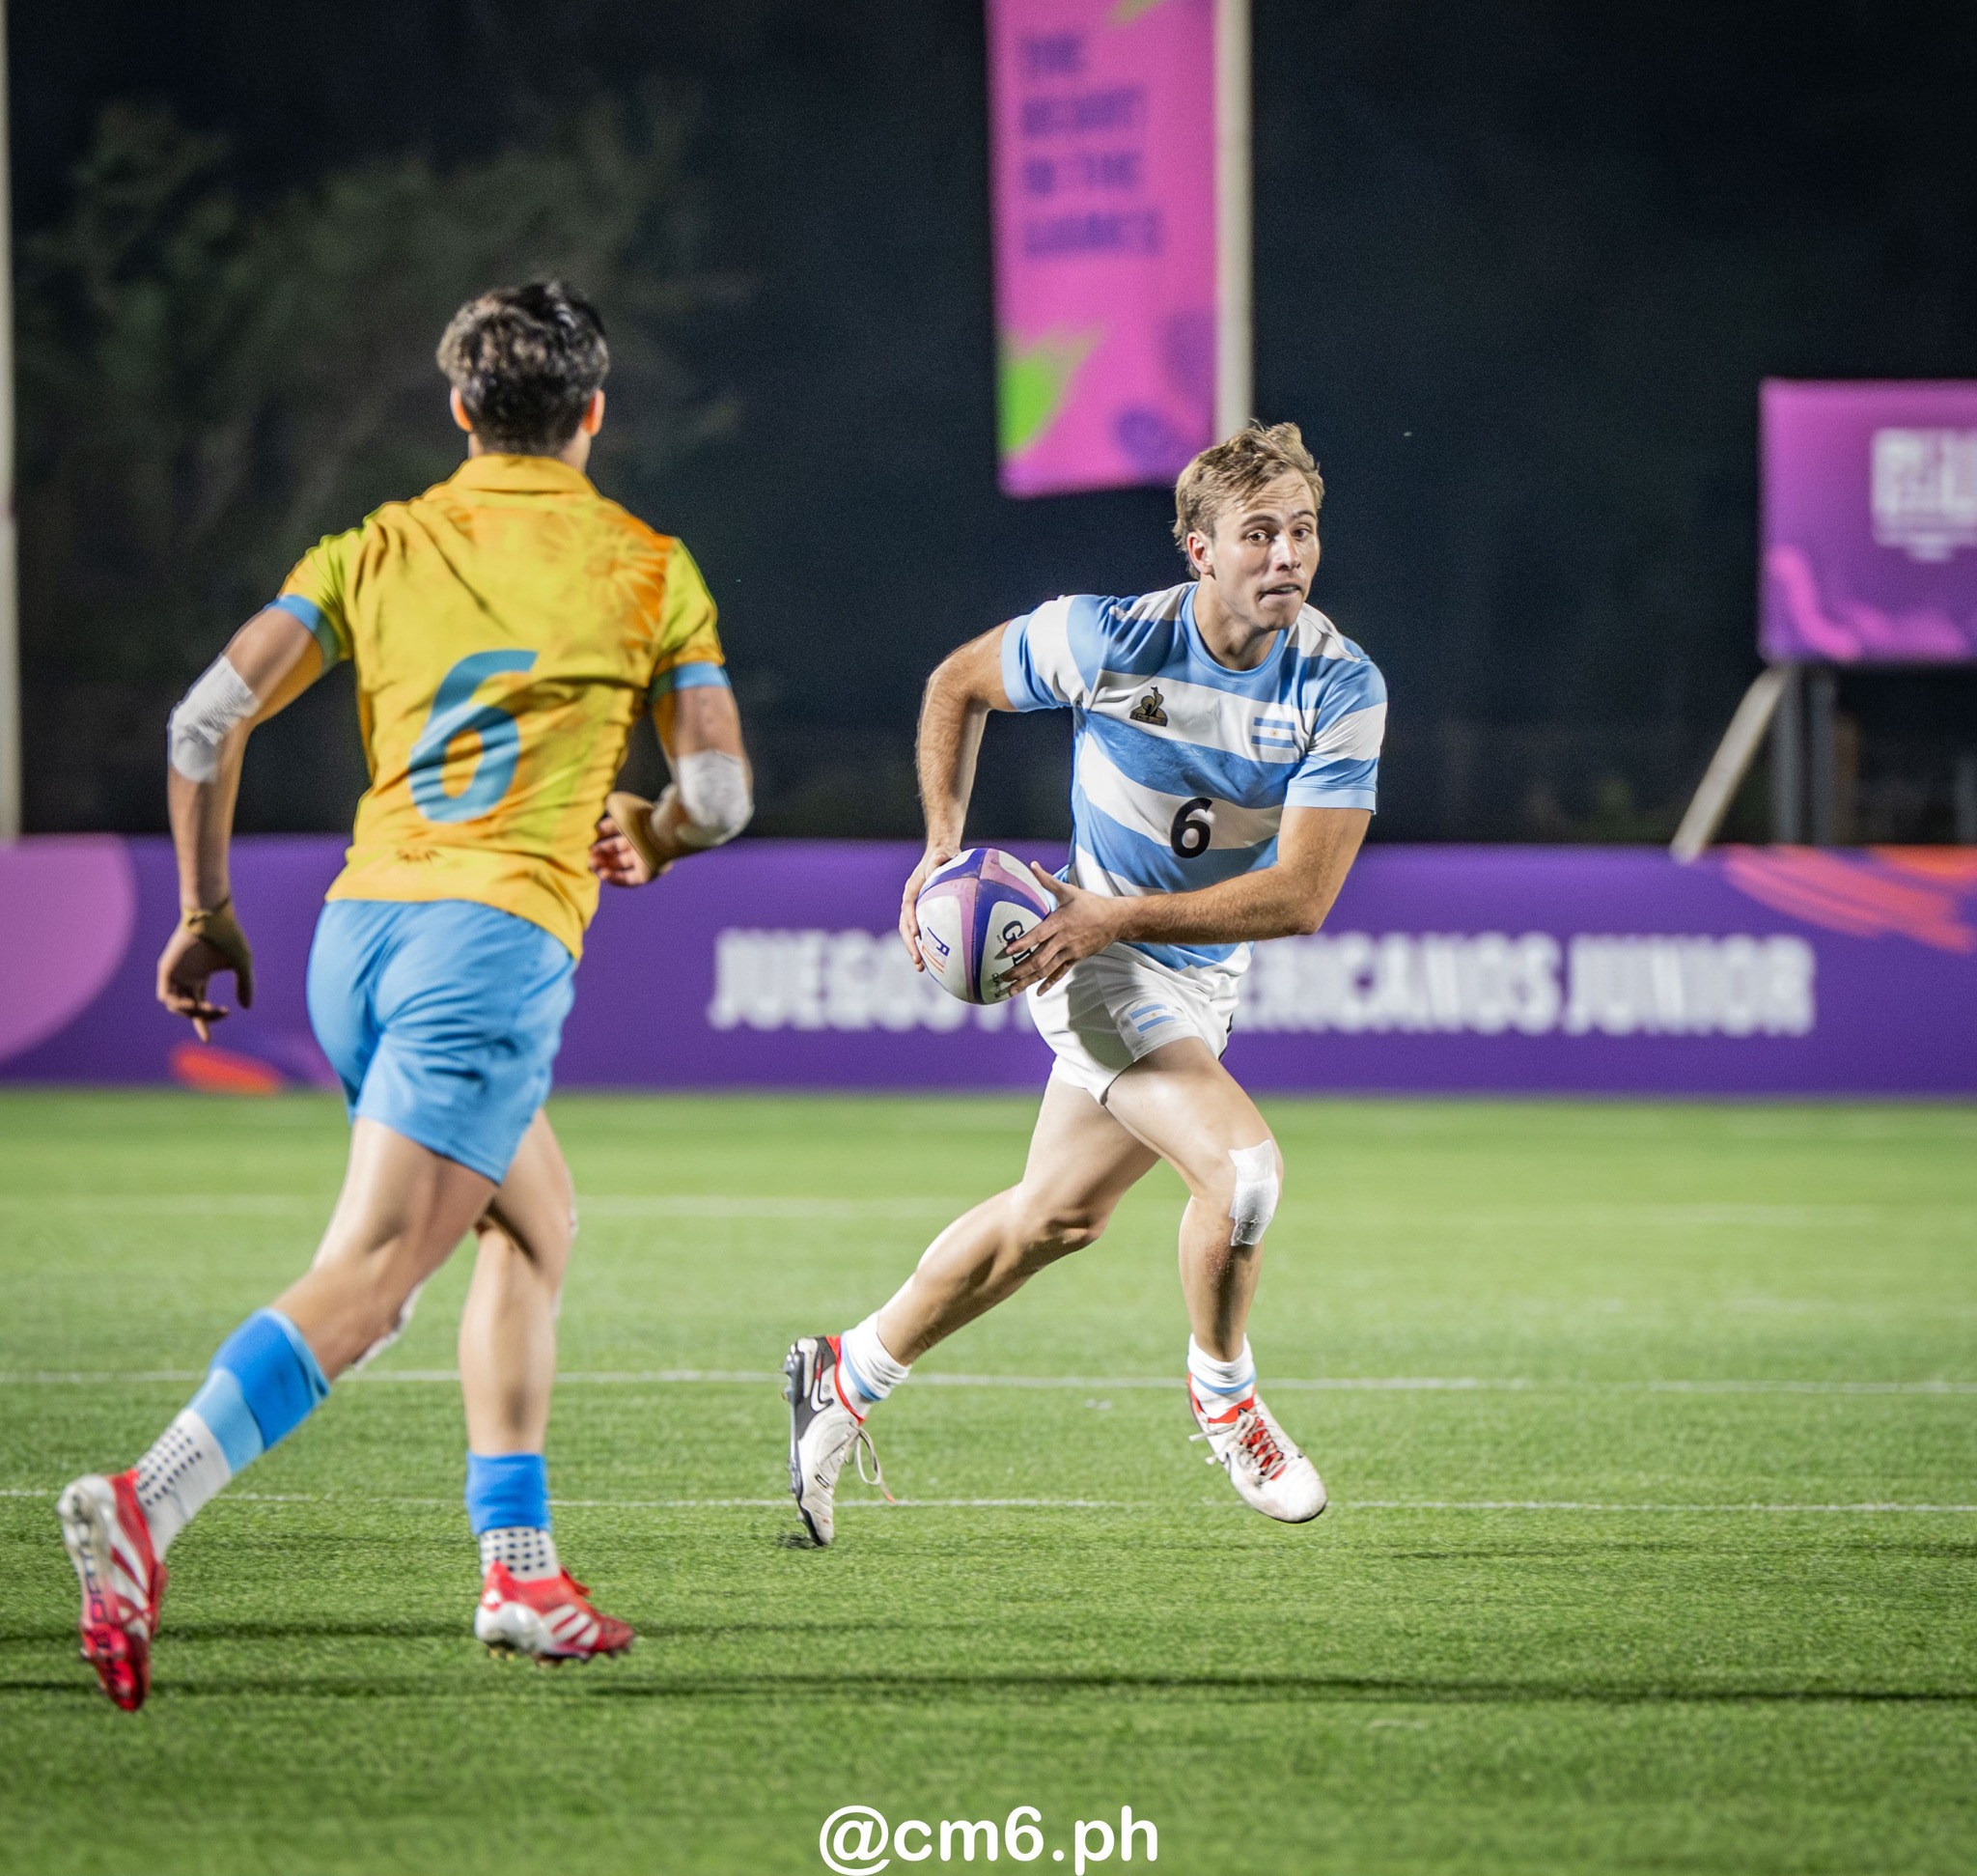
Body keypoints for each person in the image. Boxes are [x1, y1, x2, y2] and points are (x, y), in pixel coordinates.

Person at [58, 281, 753, 1710]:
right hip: (485, 948)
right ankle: (147, 1499)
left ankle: (519, 1571)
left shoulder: (377, 545)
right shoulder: (645, 563)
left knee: (535, 1216)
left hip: (355, 939)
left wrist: (203, 912)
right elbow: (725, 790)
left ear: (458, 412)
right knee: (372, 1283)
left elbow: (204, 721)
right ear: (594, 416)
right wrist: (661, 832)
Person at [785, 422, 1383, 1545]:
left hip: (1180, 958)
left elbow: (1302, 896)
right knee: (1244, 1175)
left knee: (1054, 1219)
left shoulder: (1339, 683)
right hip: (1085, 955)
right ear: (1196, 550)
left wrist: (1124, 912)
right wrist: (936, 848)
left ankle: (843, 1372)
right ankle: (1225, 1395)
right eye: (1256, 535)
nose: (1285, 558)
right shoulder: (1101, 638)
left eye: (1300, 532)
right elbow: (955, 684)